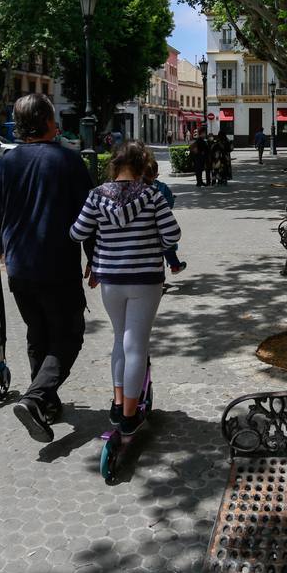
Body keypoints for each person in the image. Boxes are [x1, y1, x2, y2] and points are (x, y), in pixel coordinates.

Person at [0, 93, 95, 443]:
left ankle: (46, 403)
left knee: (38, 332)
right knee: (68, 336)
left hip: (19, 268)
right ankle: (36, 398)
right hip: (57, 266)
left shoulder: (5, 164)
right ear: (48, 121)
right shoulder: (69, 161)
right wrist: (95, 258)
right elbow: (89, 217)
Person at [69, 141, 180, 437]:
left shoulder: (96, 196)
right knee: (136, 346)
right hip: (145, 280)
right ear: (142, 165)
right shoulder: (152, 195)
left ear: (114, 164)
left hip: (111, 280)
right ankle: (130, 416)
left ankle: (119, 405)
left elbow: (77, 232)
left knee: (120, 340)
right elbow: (172, 234)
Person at [143, 156, 186, 275]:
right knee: (168, 245)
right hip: (161, 225)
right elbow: (169, 204)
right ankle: (175, 265)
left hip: (144, 228)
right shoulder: (162, 187)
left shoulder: (137, 188)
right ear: (156, 174)